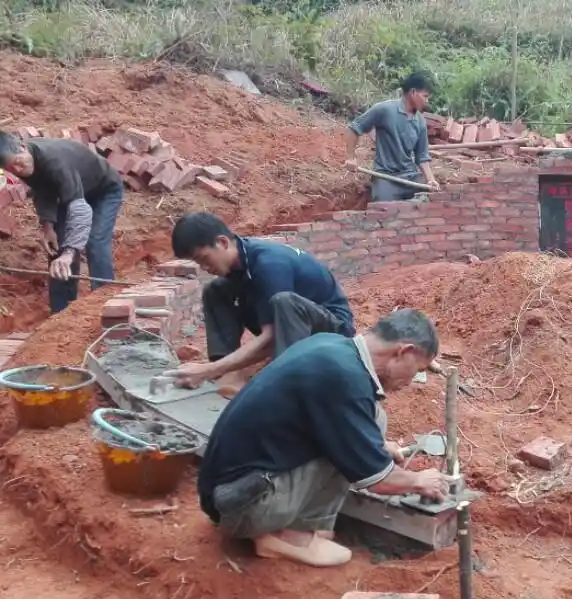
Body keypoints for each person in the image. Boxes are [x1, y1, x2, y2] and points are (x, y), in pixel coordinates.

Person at [197, 309, 453, 567]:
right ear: (403, 351)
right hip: (243, 507)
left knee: (374, 418)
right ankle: (290, 536)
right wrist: (418, 480)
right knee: (347, 453)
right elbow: (378, 481)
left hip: (230, 490)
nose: (411, 381)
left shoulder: (333, 347)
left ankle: (301, 523)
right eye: (416, 370)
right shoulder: (344, 379)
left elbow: (324, 418)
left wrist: (376, 447)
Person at [163, 211, 355, 396]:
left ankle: (285, 385)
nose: (204, 267)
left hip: (331, 333)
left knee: (284, 302)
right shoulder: (242, 257)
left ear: (222, 242)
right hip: (293, 322)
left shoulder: (270, 264)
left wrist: (207, 370)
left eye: (204, 258)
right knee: (216, 289)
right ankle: (229, 373)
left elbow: (271, 337)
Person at [0, 131, 123, 314]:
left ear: (22, 147)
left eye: (18, 162)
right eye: (11, 168)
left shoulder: (55, 161)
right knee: (57, 246)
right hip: (71, 192)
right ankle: (61, 313)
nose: (17, 170)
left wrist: (70, 252)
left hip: (103, 191)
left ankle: (107, 305)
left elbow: (80, 211)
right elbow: (43, 190)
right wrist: (48, 227)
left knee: (95, 241)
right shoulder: (24, 162)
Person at [344, 71, 440, 202]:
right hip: (386, 177)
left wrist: (430, 179)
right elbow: (355, 128)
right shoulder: (385, 109)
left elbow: (422, 157)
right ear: (413, 92)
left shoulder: (420, 122)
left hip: (411, 177)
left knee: (428, 202)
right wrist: (351, 158)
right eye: (425, 96)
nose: (426, 101)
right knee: (384, 209)